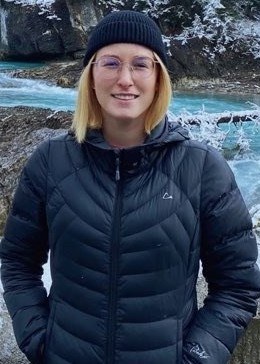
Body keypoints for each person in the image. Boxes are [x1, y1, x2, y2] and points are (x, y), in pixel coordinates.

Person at [0, 10, 260, 364]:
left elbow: (237, 285)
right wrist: (38, 339)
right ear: (90, 75)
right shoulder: (50, 162)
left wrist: (197, 356)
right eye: (110, 63)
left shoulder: (203, 168)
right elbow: (17, 261)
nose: (125, 78)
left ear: (158, 79)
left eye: (140, 64)